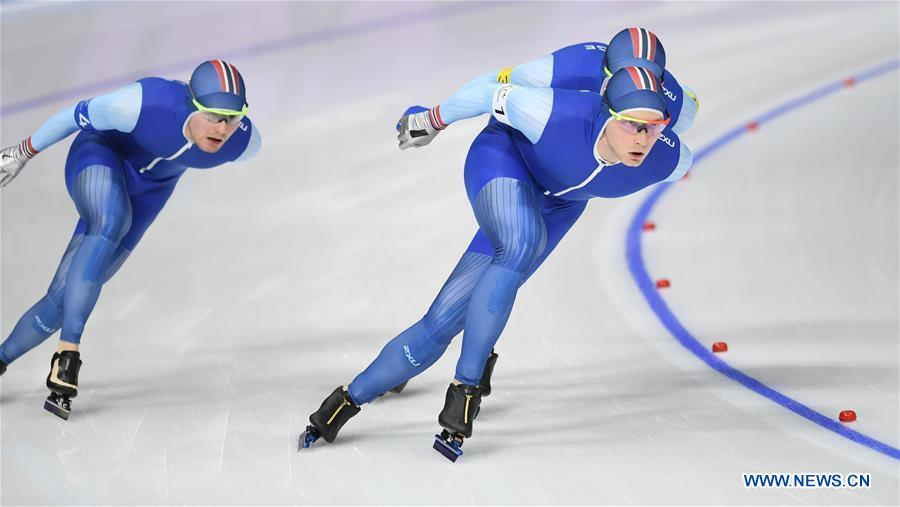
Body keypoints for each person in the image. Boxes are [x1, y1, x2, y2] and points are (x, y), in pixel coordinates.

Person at [300, 42, 693, 459]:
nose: (645, 139)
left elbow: (686, 124)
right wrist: (430, 120)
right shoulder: (552, 110)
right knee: (522, 242)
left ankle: (345, 401)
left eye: (655, 127)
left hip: (560, 203)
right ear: (607, 104)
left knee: (443, 320)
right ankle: (466, 388)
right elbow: (490, 90)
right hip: (505, 162)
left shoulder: (669, 156)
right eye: (633, 125)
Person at [0, 60, 262, 420]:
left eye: (232, 118)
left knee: (64, 297)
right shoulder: (143, 103)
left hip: (149, 195)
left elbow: (249, 140)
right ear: (191, 104)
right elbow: (72, 115)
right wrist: (22, 153)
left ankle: (1, 358)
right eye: (213, 116)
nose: (222, 128)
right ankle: (68, 355)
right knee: (110, 219)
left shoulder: (243, 141)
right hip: (102, 156)